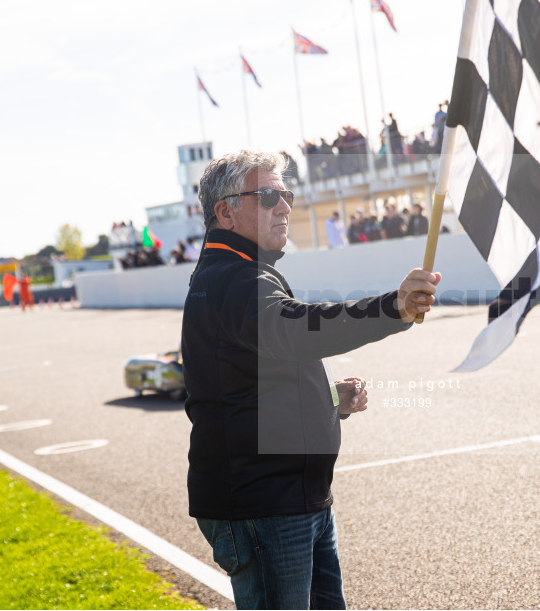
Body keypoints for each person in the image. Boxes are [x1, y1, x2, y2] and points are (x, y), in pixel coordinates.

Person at [182, 150, 441, 610]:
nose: (284, 206)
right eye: (267, 196)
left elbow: (253, 376)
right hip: (265, 504)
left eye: (285, 195)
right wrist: (391, 308)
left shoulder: (242, 273)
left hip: (291, 497)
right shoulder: (234, 278)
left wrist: (326, 398)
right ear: (225, 211)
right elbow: (293, 328)